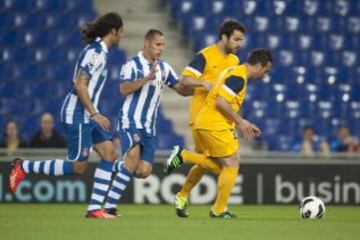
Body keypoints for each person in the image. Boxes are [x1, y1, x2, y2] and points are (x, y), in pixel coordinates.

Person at [9, 12, 124, 219]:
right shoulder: (95, 53)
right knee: (79, 166)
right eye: (121, 32)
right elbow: (80, 85)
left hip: (88, 115)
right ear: (113, 31)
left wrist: (94, 114)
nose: (121, 37)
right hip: (78, 114)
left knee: (109, 152)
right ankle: (22, 165)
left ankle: (95, 209)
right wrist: (95, 113)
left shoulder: (100, 52)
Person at [101, 29, 205, 215]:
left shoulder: (164, 68)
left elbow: (181, 89)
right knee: (132, 158)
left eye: (163, 45)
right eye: (158, 44)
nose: (161, 49)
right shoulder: (132, 65)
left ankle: (117, 166)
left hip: (149, 127)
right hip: (130, 121)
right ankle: (110, 207)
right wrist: (146, 79)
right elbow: (123, 89)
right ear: (147, 44)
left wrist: (201, 90)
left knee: (143, 171)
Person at [164, 49, 273, 218]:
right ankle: (217, 208)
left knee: (224, 166)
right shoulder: (239, 76)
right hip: (213, 123)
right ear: (258, 66)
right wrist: (241, 122)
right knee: (232, 165)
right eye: (266, 70)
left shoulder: (233, 71)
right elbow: (221, 103)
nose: (265, 75)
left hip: (208, 122)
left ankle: (188, 174)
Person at [165, 19, 246, 218]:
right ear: (224, 37)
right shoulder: (205, 56)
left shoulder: (234, 61)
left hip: (220, 120)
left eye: (241, 40)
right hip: (202, 117)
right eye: (236, 39)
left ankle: (183, 194)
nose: (239, 44)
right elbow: (184, 80)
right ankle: (184, 160)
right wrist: (204, 83)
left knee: (209, 163)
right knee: (226, 165)